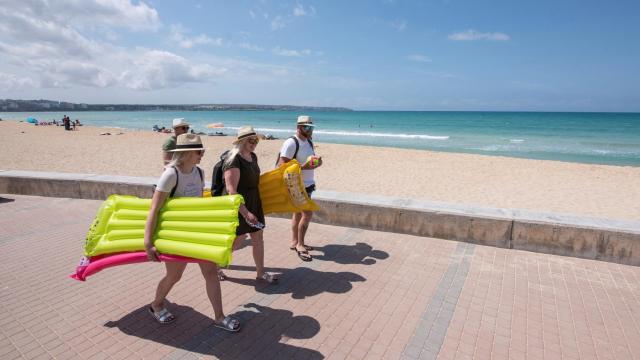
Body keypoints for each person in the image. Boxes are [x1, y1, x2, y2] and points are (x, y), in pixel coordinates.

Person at [145, 133, 240, 332]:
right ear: (187, 153)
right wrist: (148, 242)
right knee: (174, 276)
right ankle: (156, 305)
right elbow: (154, 208)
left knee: (211, 272)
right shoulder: (171, 174)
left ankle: (219, 317)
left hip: (196, 233)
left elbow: (197, 205)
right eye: (199, 151)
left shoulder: (199, 172)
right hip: (175, 236)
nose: (202, 154)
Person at [219, 126, 278, 284]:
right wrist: (245, 213)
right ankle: (216, 265)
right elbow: (232, 190)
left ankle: (260, 273)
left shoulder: (253, 156)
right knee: (237, 240)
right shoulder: (233, 160)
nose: (255, 143)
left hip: (254, 201)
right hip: (240, 205)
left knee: (258, 237)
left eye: (256, 140)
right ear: (242, 141)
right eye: (251, 140)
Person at [277, 116, 323, 261]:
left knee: (298, 214)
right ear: (298, 127)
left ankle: (294, 242)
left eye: (311, 127)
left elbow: (309, 160)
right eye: (306, 127)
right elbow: (282, 166)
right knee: (307, 214)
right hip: (296, 186)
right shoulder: (291, 143)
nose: (309, 130)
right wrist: (304, 167)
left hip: (308, 184)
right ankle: (300, 245)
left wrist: (317, 163)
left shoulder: (309, 141)